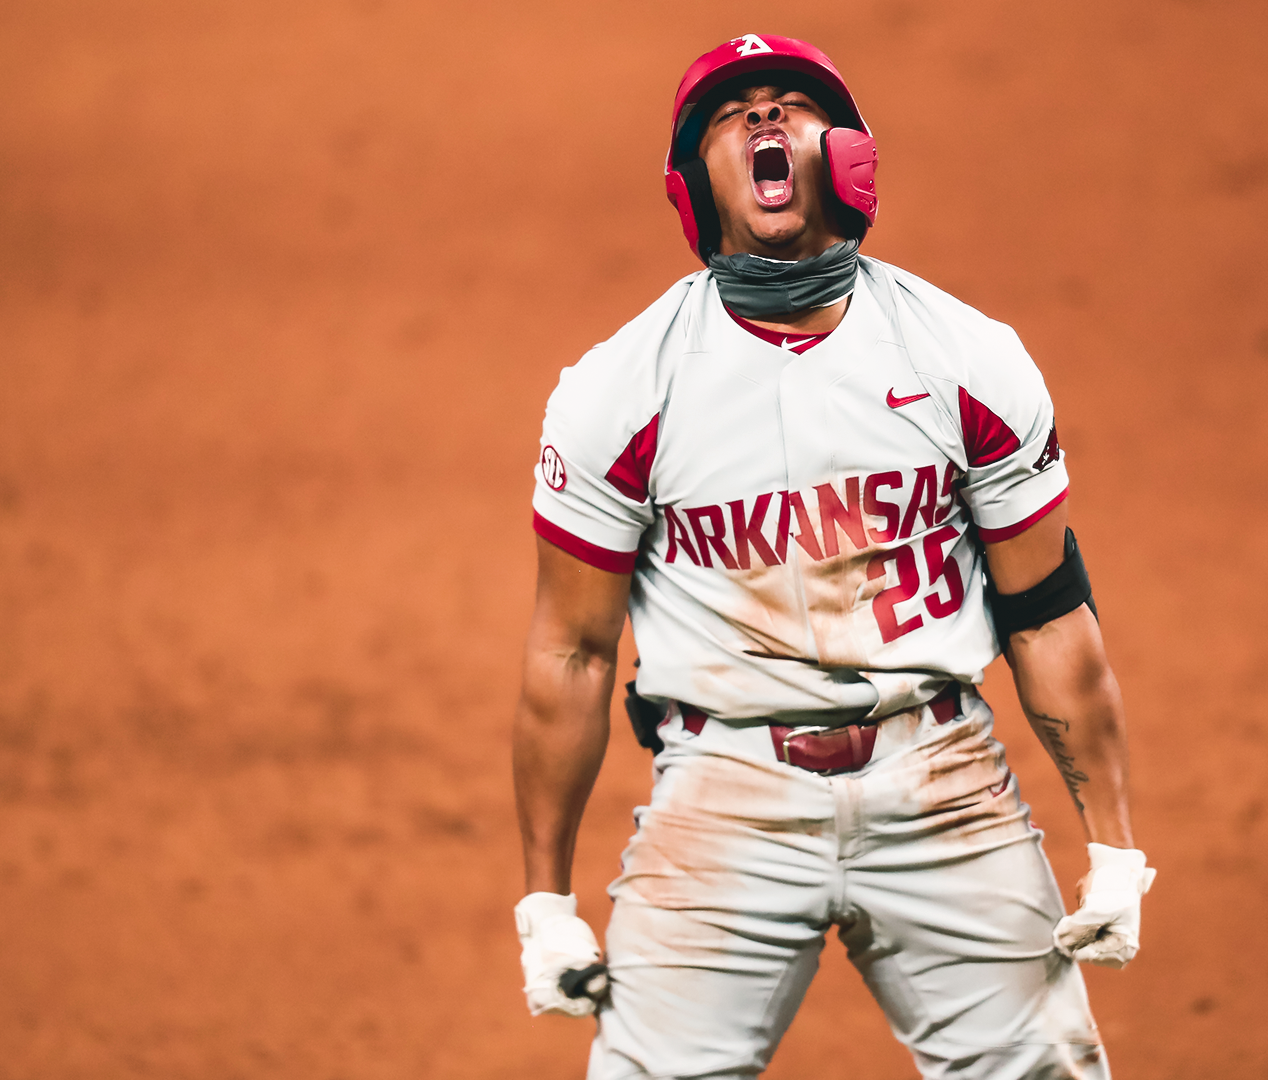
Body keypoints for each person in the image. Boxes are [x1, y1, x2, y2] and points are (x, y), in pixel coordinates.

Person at [511, 33, 1155, 1080]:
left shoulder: (964, 358)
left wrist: (1113, 841)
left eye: (790, 105)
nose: (764, 121)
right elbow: (570, 651)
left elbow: (1046, 611)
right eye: (731, 114)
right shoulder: (619, 390)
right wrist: (545, 898)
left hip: (941, 782)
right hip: (722, 794)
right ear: (694, 187)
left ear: (847, 157)